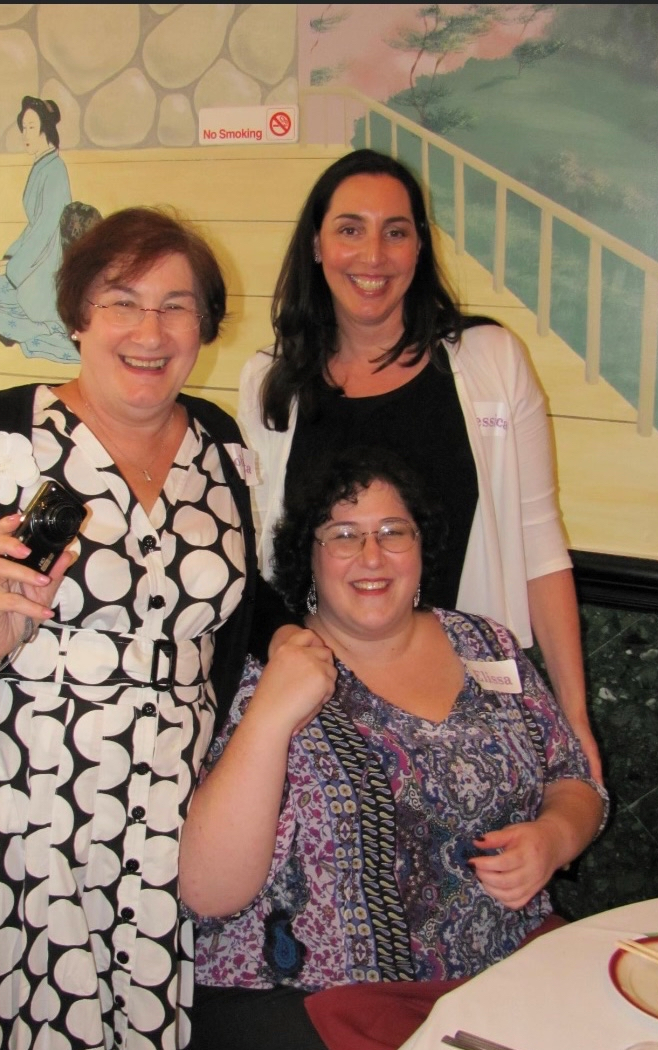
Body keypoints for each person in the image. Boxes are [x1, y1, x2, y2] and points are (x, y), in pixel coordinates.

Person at [0, 207, 258, 1050]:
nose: (149, 331)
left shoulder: (222, 448)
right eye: (121, 301)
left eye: (176, 306)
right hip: (6, 834)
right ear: (78, 316)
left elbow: (227, 612)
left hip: (160, 842)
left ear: (205, 326)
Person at [180, 447, 607, 1050]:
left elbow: (573, 776)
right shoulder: (265, 675)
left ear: (421, 545)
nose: (372, 556)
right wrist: (271, 715)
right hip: (321, 1000)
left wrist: (554, 838)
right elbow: (206, 891)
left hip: (507, 970)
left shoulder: (486, 642)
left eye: (392, 532)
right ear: (308, 555)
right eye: (343, 535)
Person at [238, 147, 603, 781]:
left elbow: (541, 547)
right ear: (317, 246)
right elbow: (265, 558)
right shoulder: (270, 383)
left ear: (419, 248)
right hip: (322, 715)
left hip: (467, 714)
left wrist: (574, 718)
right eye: (350, 229)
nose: (373, 255)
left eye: (395, 232)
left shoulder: (490, 362)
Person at [0, 95, 77, 362]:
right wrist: (9, 256)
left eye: (31, 127)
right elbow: (33, 226)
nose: (25, 134)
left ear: (46, 129)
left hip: (46, 263)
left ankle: (44, 333)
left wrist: (14, 268)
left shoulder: (54, 170)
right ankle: (38, 332)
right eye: (24, 128)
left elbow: (45, 228)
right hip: (33, 259)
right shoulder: (43, 165)